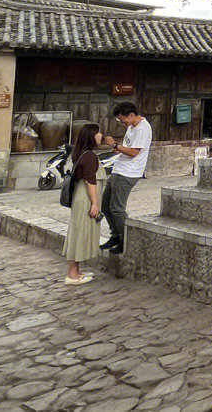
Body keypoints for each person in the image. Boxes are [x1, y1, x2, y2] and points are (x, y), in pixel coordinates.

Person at [100, 101, 153, 254]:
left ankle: (126, 240)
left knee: (117, 209)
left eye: (122, 119)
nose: (121, 123)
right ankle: (115, 236)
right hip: (119, 168)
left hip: (129, 172)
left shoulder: (143, 128)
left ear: (131, 115)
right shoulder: (131, 127)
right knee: (105, 205)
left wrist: (114, 145)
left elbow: (134, 152)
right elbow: (127, 148)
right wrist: (118, 149)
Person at [62, 123, 104, 285]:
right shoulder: (89, 156)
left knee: (79, 231)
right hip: (85, 197)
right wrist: (95, 203)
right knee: (79, 233)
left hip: (82, 196)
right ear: (91, 136)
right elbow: (90, 181)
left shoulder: (82, 153)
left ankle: (76, 270)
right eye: (98, 133)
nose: (100, 136)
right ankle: (72, 274)